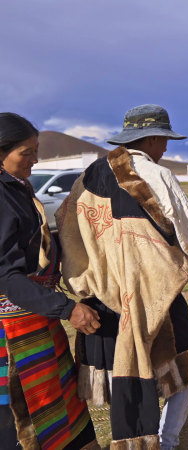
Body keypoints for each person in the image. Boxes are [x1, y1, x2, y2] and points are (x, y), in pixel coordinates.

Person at [57, 105, 188, 449]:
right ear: (153, 139)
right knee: (185, 370)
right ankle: (166, 440)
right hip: (156, 298)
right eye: (164, 141)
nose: (167, 149)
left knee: (123, 374)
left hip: (102, 301)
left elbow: (67, 232)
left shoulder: (88, 177)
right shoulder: (157, 175)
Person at [0, 113, 100, 449]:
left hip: (36, 317)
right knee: (24, 418)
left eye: (36, 150)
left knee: (61, 407)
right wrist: (67, 309)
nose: (34, 159)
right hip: (14, 332)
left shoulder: (18, 187)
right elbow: (7, 276)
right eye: (25, 153)